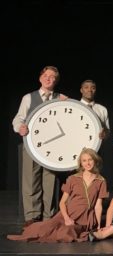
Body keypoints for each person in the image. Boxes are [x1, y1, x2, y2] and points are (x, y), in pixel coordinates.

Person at [8, 148, 108, 242]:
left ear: (95, 160)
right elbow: (62, 203)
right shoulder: (73, 179)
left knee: (66, 233)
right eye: (84, 160)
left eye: (90, 159)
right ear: (81, 163)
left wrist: (98, 226)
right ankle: (29, 234)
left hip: (86, 218)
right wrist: (67, 218)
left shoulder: (101, 181)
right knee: (43, 228)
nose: (87, 163)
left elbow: (98, 206)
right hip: (68, 215)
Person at [12, 66, 68, 228]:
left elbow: (70, 117)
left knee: (50, 180)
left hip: (53, 147)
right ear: (40, 78)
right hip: (32, 145)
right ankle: (32, 216)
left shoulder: (60, 98)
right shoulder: (28, 98)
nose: (49, 79)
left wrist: (68, 104)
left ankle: (48, 215)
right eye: (46, 76)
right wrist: (20, 127)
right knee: (31, 180)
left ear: (56, 81)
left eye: (53, 77)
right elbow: (18, 119)